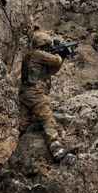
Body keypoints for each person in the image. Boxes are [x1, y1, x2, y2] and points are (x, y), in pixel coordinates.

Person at [19, 31, 72, 162]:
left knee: (21, 124)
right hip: (36, 93)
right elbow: (55, 60)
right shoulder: (37, 54)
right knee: (47, 118)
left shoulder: (31, 56)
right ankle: (57, 149)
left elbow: (53, 70)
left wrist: (61, 56)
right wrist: (60, 54)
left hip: (26, 94)